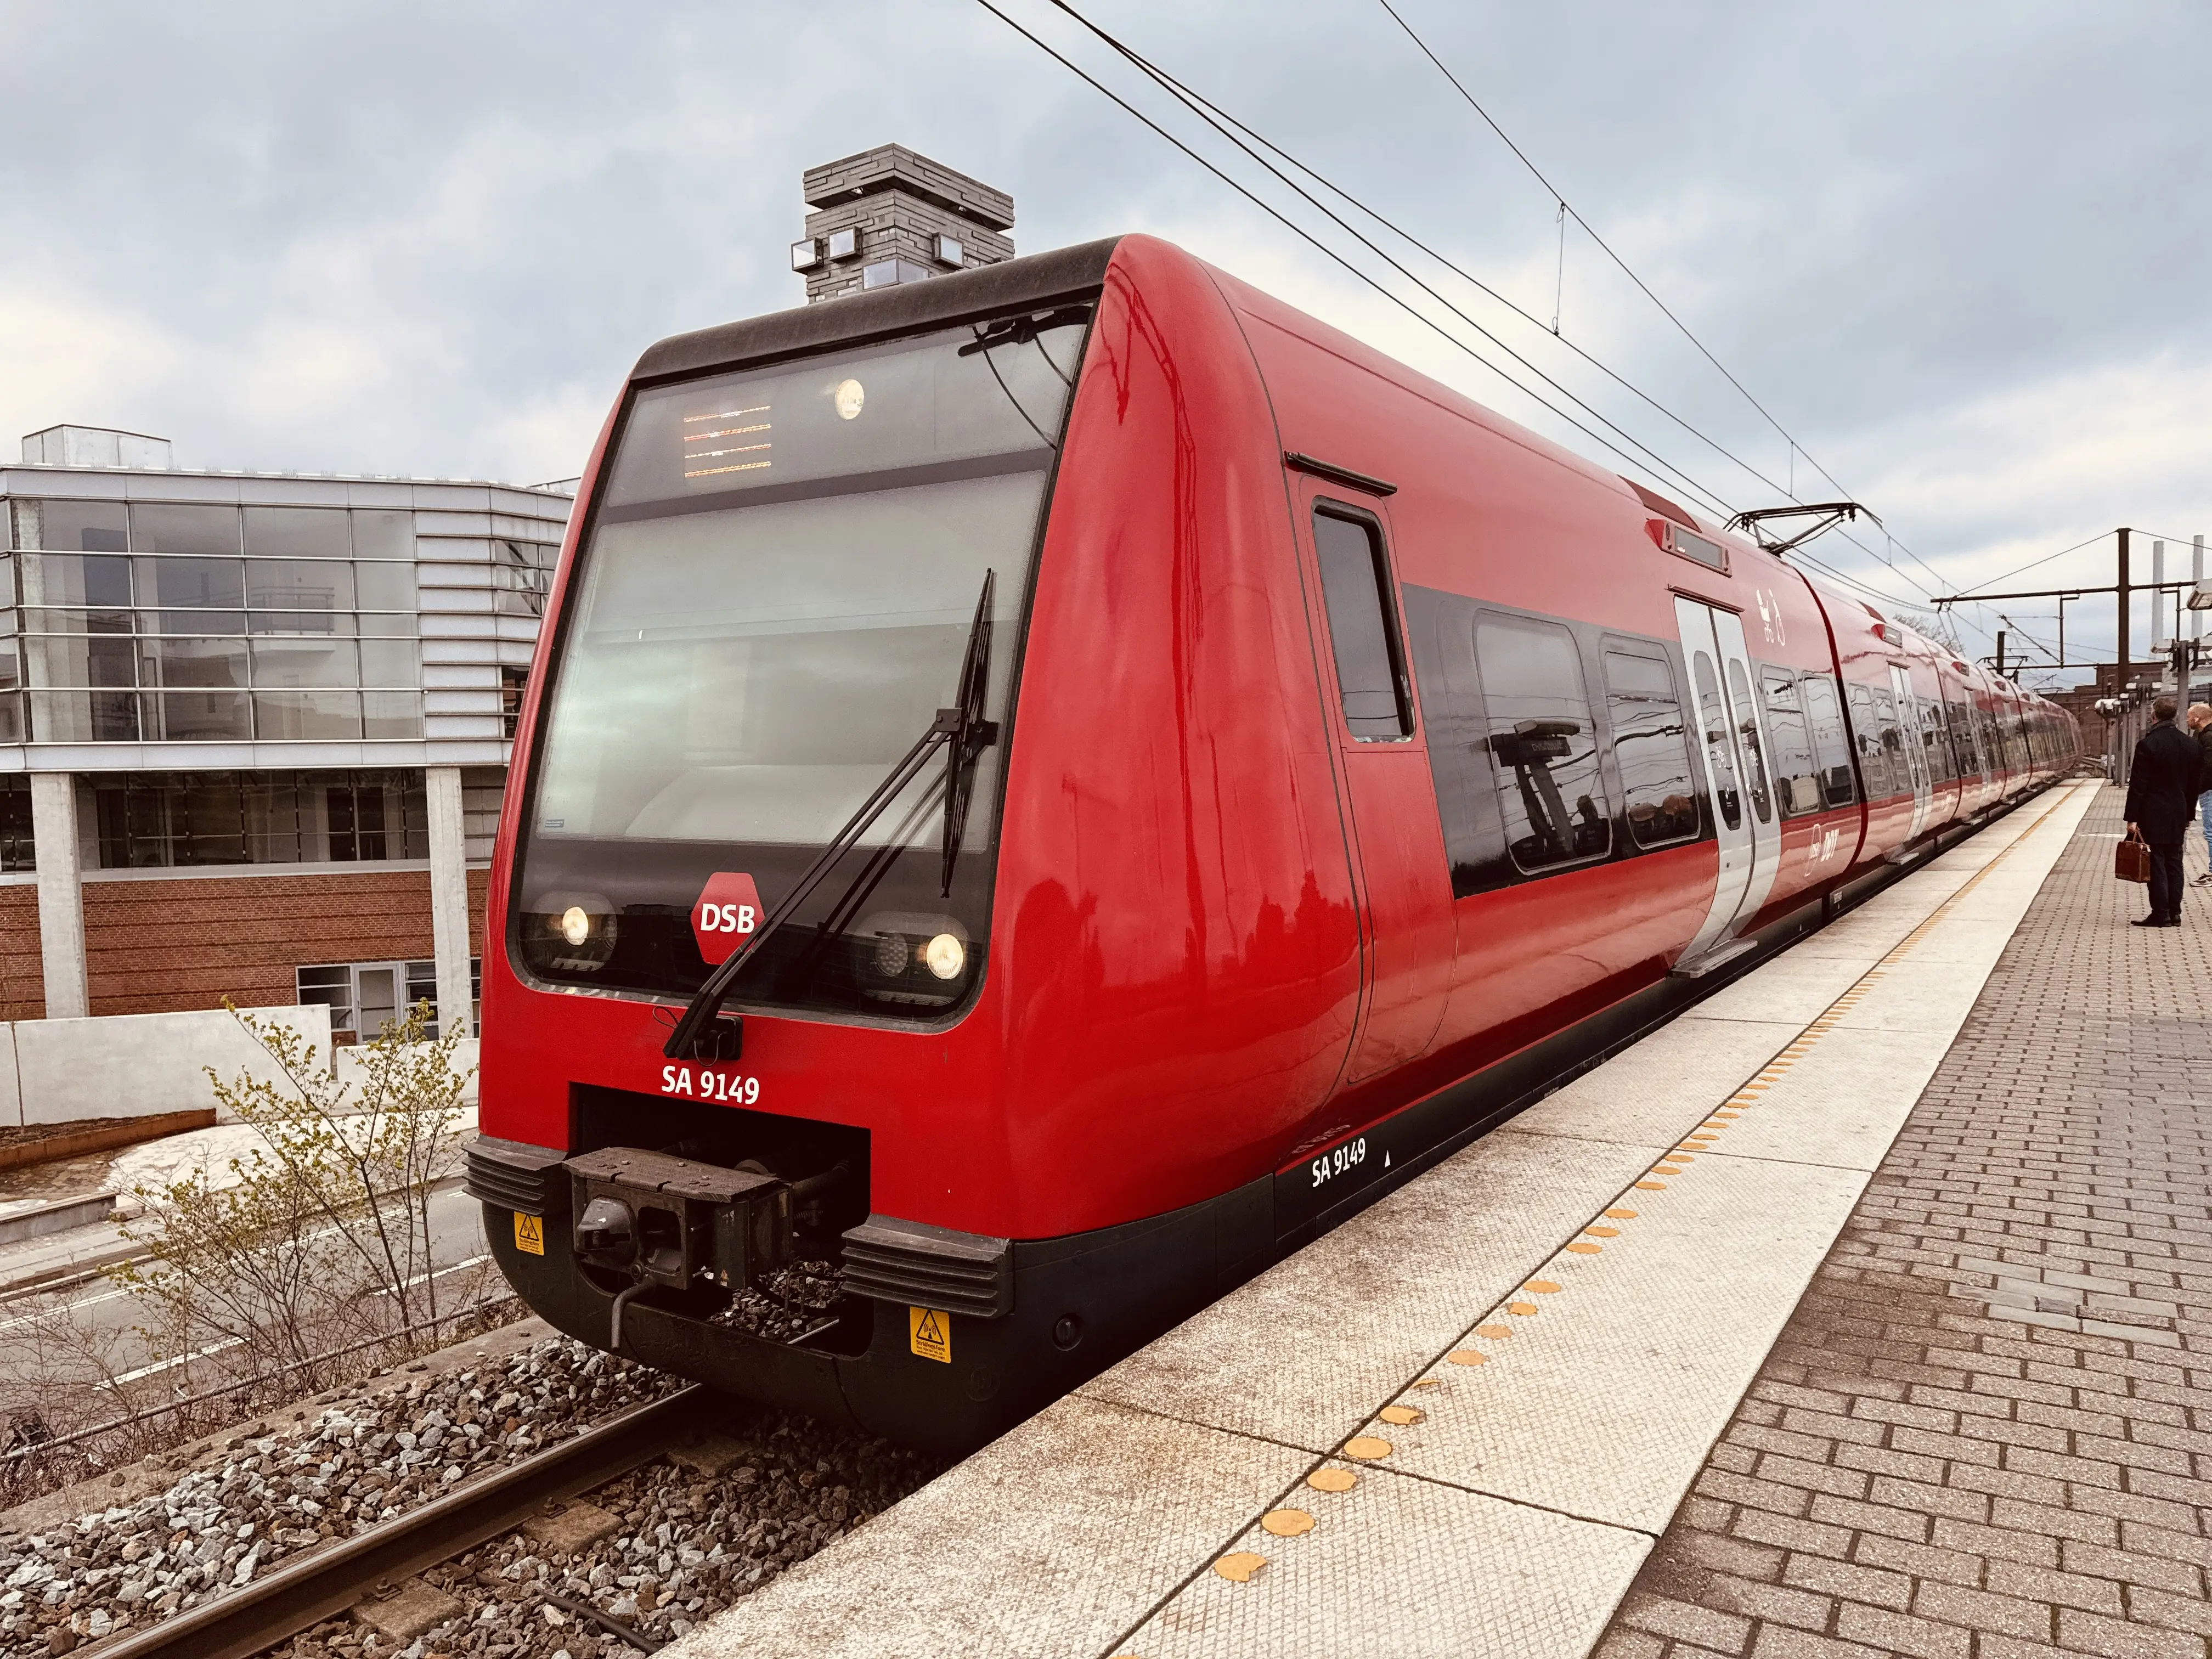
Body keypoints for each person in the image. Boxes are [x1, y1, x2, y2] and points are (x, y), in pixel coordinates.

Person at [2123, 696, 2203, 927]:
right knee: (2175, 862)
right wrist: (2189, 814)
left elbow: (2139, 785)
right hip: (2178, 812)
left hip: (2152, 812)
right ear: (2175, 716)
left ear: (2154, 715)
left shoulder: (2148, 745)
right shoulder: (2191, 745)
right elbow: (2193, 786)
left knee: (2155, 862)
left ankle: (2161, 913)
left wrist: (2132, 818)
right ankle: (2175, 913)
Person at [2191, 703, 2212, 885]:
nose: (2187, 720)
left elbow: (2208, 766)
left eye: (2190, 717)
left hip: (2210, 791)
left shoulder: (2208, 737)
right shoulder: (2204, 736)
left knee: (2211, 832)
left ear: (2197, 718)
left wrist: (2199, 788)